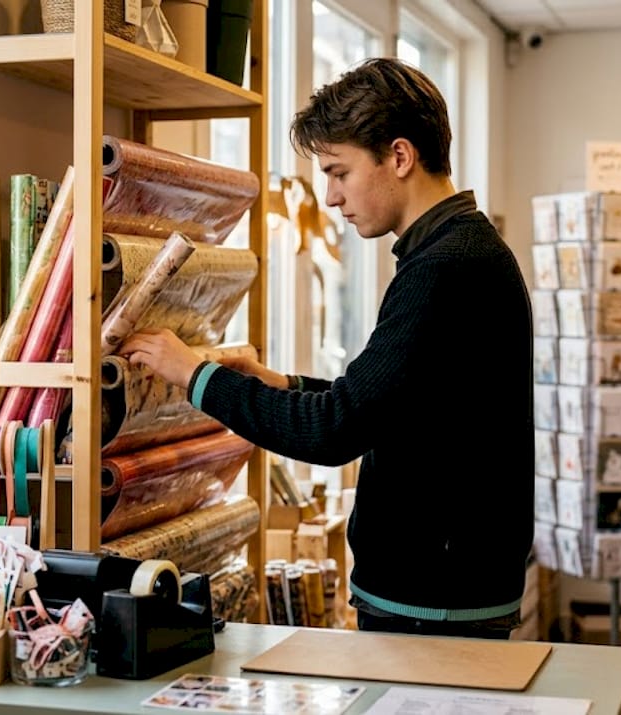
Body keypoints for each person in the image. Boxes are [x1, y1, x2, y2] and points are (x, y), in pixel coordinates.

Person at [119, 57, 533, 639]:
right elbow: (393, 409)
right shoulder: (462, 251)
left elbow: (335, 431)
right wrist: (279, 385)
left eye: (339, 171)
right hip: (445, 591)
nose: (332, 196)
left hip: (432, 603)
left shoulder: (444, 269)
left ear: (399, 156)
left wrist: (194, 376)